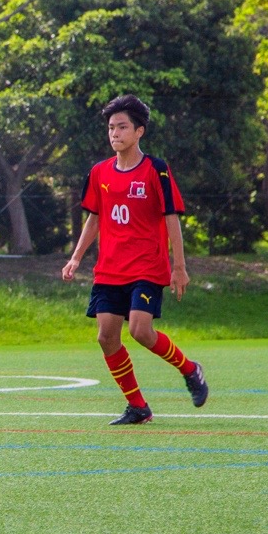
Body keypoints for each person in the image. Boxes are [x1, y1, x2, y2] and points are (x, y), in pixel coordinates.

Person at [59, 95, 209, 425]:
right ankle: (138, 406)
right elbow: (94, 218)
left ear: (139, 131)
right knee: (106, 337)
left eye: (122, 127)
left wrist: (179, 267)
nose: (115, 133)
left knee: (141, 330)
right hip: (109, 269)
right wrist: (75, 259)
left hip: (147, 267)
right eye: (111, 127)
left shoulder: (156, 170)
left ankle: (190, 369)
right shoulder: (99, 172)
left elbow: (172, 218)